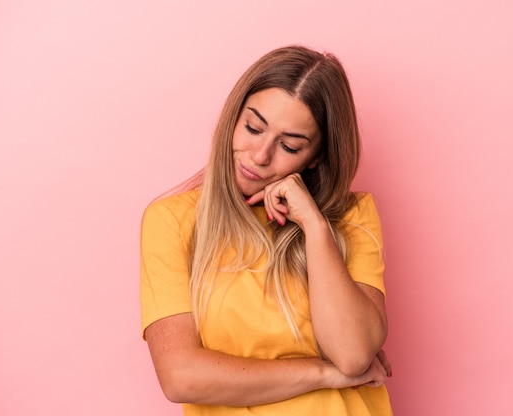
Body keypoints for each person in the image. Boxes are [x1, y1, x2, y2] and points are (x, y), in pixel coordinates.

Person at [140, 45, 393, 415]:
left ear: (316, 157)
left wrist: (314, 225)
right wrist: (324, 374)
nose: (260, 156)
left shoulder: (352, 216)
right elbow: (181, 377)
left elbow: (353, 355)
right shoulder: (172, 221)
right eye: (253, 128)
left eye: (289, 146)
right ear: (234, 117)